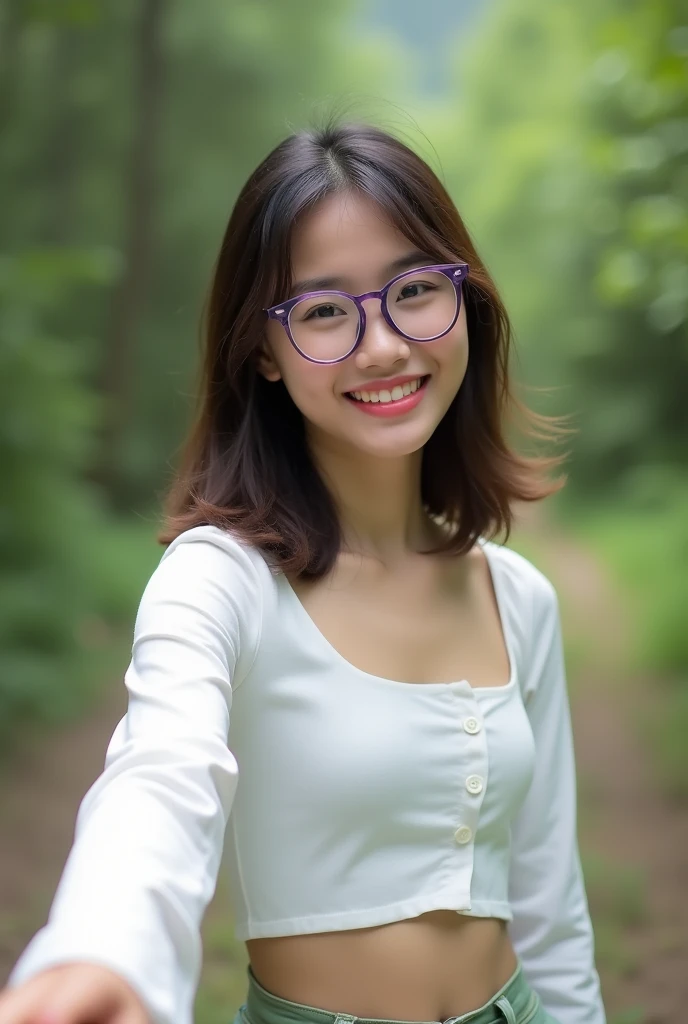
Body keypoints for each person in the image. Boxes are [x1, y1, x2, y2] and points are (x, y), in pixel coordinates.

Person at [0, 117, 606, 1024]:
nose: (384, 346)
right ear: (263, 351)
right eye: (325, 310)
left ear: (463, 301)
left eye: (413, 290)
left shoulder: (519, 600)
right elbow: (160, 778)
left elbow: (553, 917)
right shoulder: (222, 582)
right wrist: (101, 956)